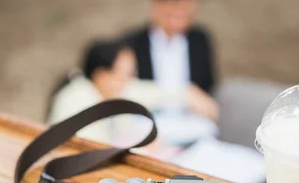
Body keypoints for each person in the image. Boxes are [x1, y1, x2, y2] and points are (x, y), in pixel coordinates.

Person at [47, 39, 218, 146]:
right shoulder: (76, 99)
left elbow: (149, 92)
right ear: (102, 76)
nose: (130, 81)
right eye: (126, 74)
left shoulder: (117, 90)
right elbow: (88, 149)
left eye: (132, 74)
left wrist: (189, 92)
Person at [122, 0, 218, 118]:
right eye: (170, 15)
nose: (176, 23)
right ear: (155, 5)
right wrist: (183, 94)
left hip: (192, 123)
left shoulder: (200, 40)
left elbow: (208, 86)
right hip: (147, 122)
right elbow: (126, 88)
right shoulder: (132, 43)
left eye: (185, 15)